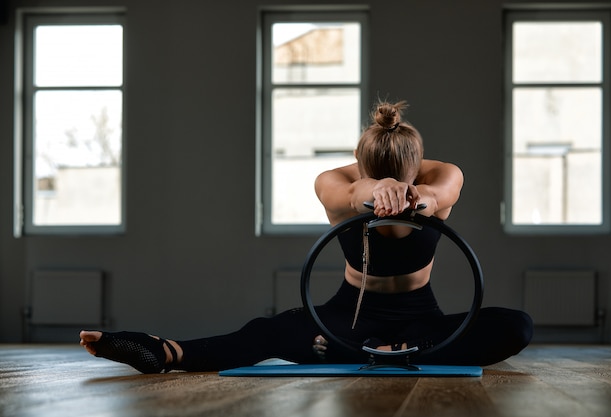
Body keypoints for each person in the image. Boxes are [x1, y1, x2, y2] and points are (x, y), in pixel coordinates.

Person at [80, 100, 533, 373]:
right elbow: (353, 192)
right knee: (265, 332)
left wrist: (422, 201)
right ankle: (164, 351)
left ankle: (394, 351)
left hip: (421, 321)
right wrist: (376, 192)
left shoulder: (441, 174)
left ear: (418, 166)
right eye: (377, 176)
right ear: (361, 163)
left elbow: (441, 191)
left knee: (516, 326)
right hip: (349, 318)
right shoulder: (335, 181)